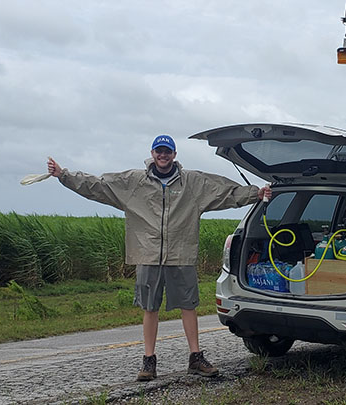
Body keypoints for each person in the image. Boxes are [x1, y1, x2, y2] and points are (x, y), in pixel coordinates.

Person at [47, 134, 271, 381]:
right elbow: (97, 185)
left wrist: (255, 194)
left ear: (174, 155)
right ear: (152, 154)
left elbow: (224, 192)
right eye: (158, 151)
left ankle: (195, 357)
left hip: (181, 254)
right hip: (148, 254)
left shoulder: (192, 182)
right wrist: (63, 175)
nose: (163, 156)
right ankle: (149, 361)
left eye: (167, 152)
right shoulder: (133, 182)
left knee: (189, 305)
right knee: (149, 307)